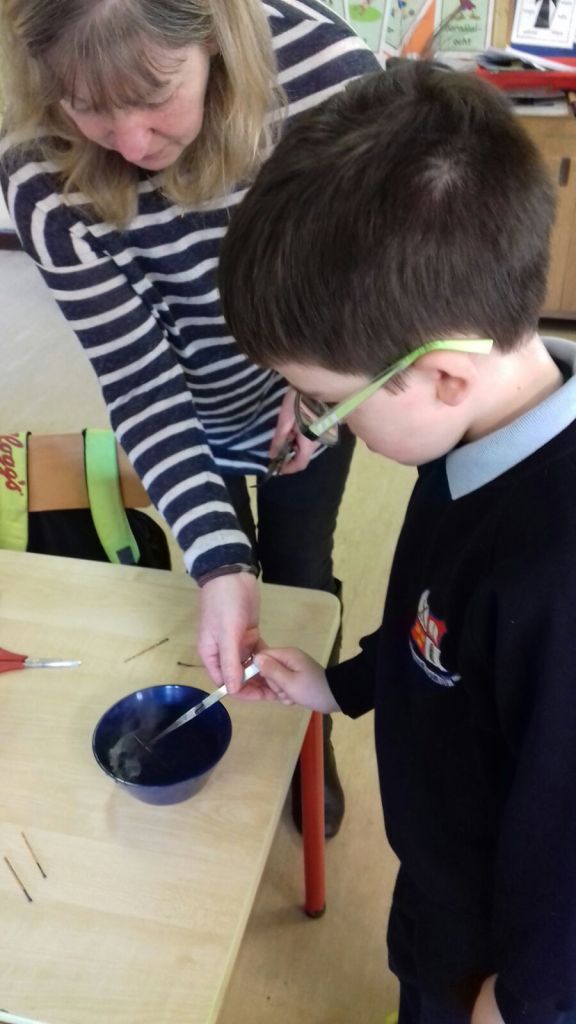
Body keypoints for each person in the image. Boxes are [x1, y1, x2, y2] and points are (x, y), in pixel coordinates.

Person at [218, 60, 576, 1023]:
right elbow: (434, 619)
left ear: (445, 376)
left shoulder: (554, 571)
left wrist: (521, 1002)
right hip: (442, 886)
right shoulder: (465, 443)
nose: (310, 424)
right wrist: (338, 685)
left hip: (506, 959)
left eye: (325, 401)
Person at [0, 0, 380, 835]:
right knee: (221, 567)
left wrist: (325, 391)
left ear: (215, 33)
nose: (131, 143)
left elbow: (375, 272)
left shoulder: (328, 76)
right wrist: (218, 562)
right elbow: (141, 383)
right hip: (189, 412)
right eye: (87, 107)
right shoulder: (36, 170)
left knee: (302, 573)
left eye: (153, 96)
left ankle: (311, 741)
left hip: (315, 395)